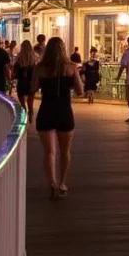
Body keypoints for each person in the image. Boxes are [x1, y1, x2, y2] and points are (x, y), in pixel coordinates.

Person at [33, 37, 83, 198]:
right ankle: (62, 182)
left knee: (49, 152)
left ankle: (52, 183)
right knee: (65, 151)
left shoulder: (40, 68)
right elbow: (80, 90)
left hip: (46, 111)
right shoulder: (71, 68)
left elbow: (33, 88)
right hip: (64, 111)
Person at [13, 40, 36, 121]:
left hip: (21, 80)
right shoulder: (34, 57)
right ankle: (31, 113)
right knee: (31, 99)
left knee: (21, 97)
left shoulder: (19, 57)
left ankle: (24, 111)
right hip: (31, 81)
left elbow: (15, 69)